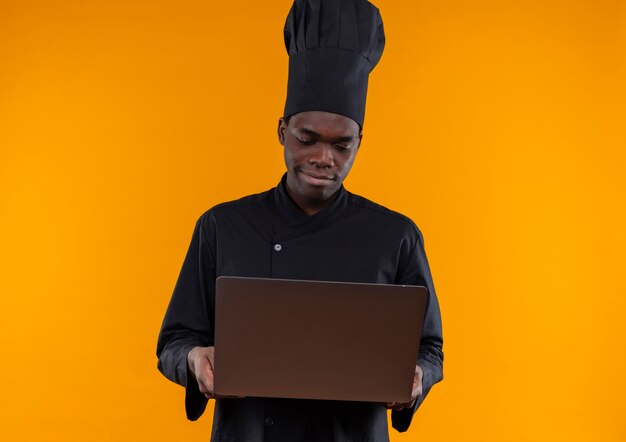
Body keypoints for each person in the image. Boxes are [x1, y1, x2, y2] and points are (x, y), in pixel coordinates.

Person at [156, 0, 443, 440]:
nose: (323, 159)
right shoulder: (222, 226)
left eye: (341, 146)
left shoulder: (396, 236)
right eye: (307, 139)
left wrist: (418, 376)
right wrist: (194, 360)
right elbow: (175, 340)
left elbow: (429, 349)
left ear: (359, 142)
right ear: (282, 131)